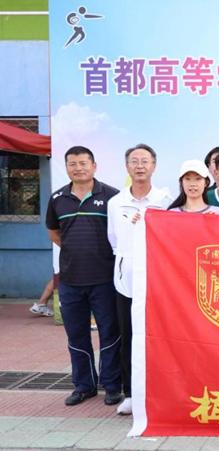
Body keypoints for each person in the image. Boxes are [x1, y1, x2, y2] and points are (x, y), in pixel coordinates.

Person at [46, 146, 121, 407]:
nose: (78, 168)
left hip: (105, 279)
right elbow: (54, 232)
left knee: (110, 333)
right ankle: (84, 385)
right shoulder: (57, 198)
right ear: (66, 167)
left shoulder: (112, 196)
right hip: (70, 280)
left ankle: (112, 385)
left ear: (94, 166)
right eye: (73, 164)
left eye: (83, 163)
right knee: (76, 335)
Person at [106, 144, 172, 415]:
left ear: (154, 166)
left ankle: (160, 392)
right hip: (126, 281)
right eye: (135, 161)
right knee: (128, 336)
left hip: (158, 281)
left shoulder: (165, 200)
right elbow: (114, 241)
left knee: (159, 337)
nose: (140, 166)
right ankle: (131, 393)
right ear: (127, 167)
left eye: (145, 161)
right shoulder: (116, 202)